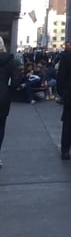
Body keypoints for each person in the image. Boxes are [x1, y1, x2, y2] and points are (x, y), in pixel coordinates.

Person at [0, 37, 20, 168]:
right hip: (3, 96)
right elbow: (15, 81)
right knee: (1, 126)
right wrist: (9, 91)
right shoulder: (10, 60)